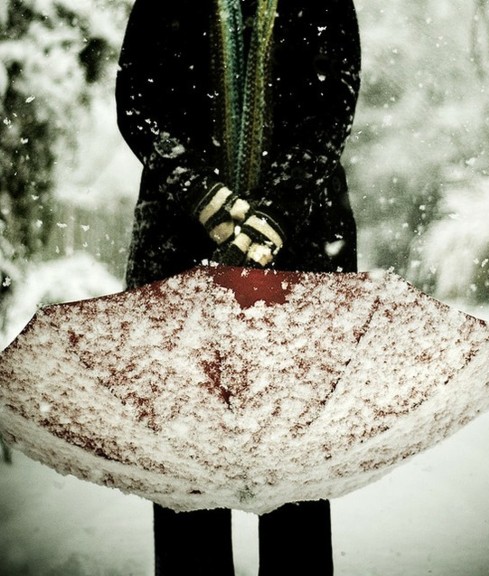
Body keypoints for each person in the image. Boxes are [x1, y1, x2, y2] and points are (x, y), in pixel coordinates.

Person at [116, 0, 361, 574]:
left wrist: (277, 213)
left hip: (300, 254)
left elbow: (332, 111)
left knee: (294, 473)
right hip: (179, 257)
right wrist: (202, 197)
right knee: (187, 472)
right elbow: (137, 103)